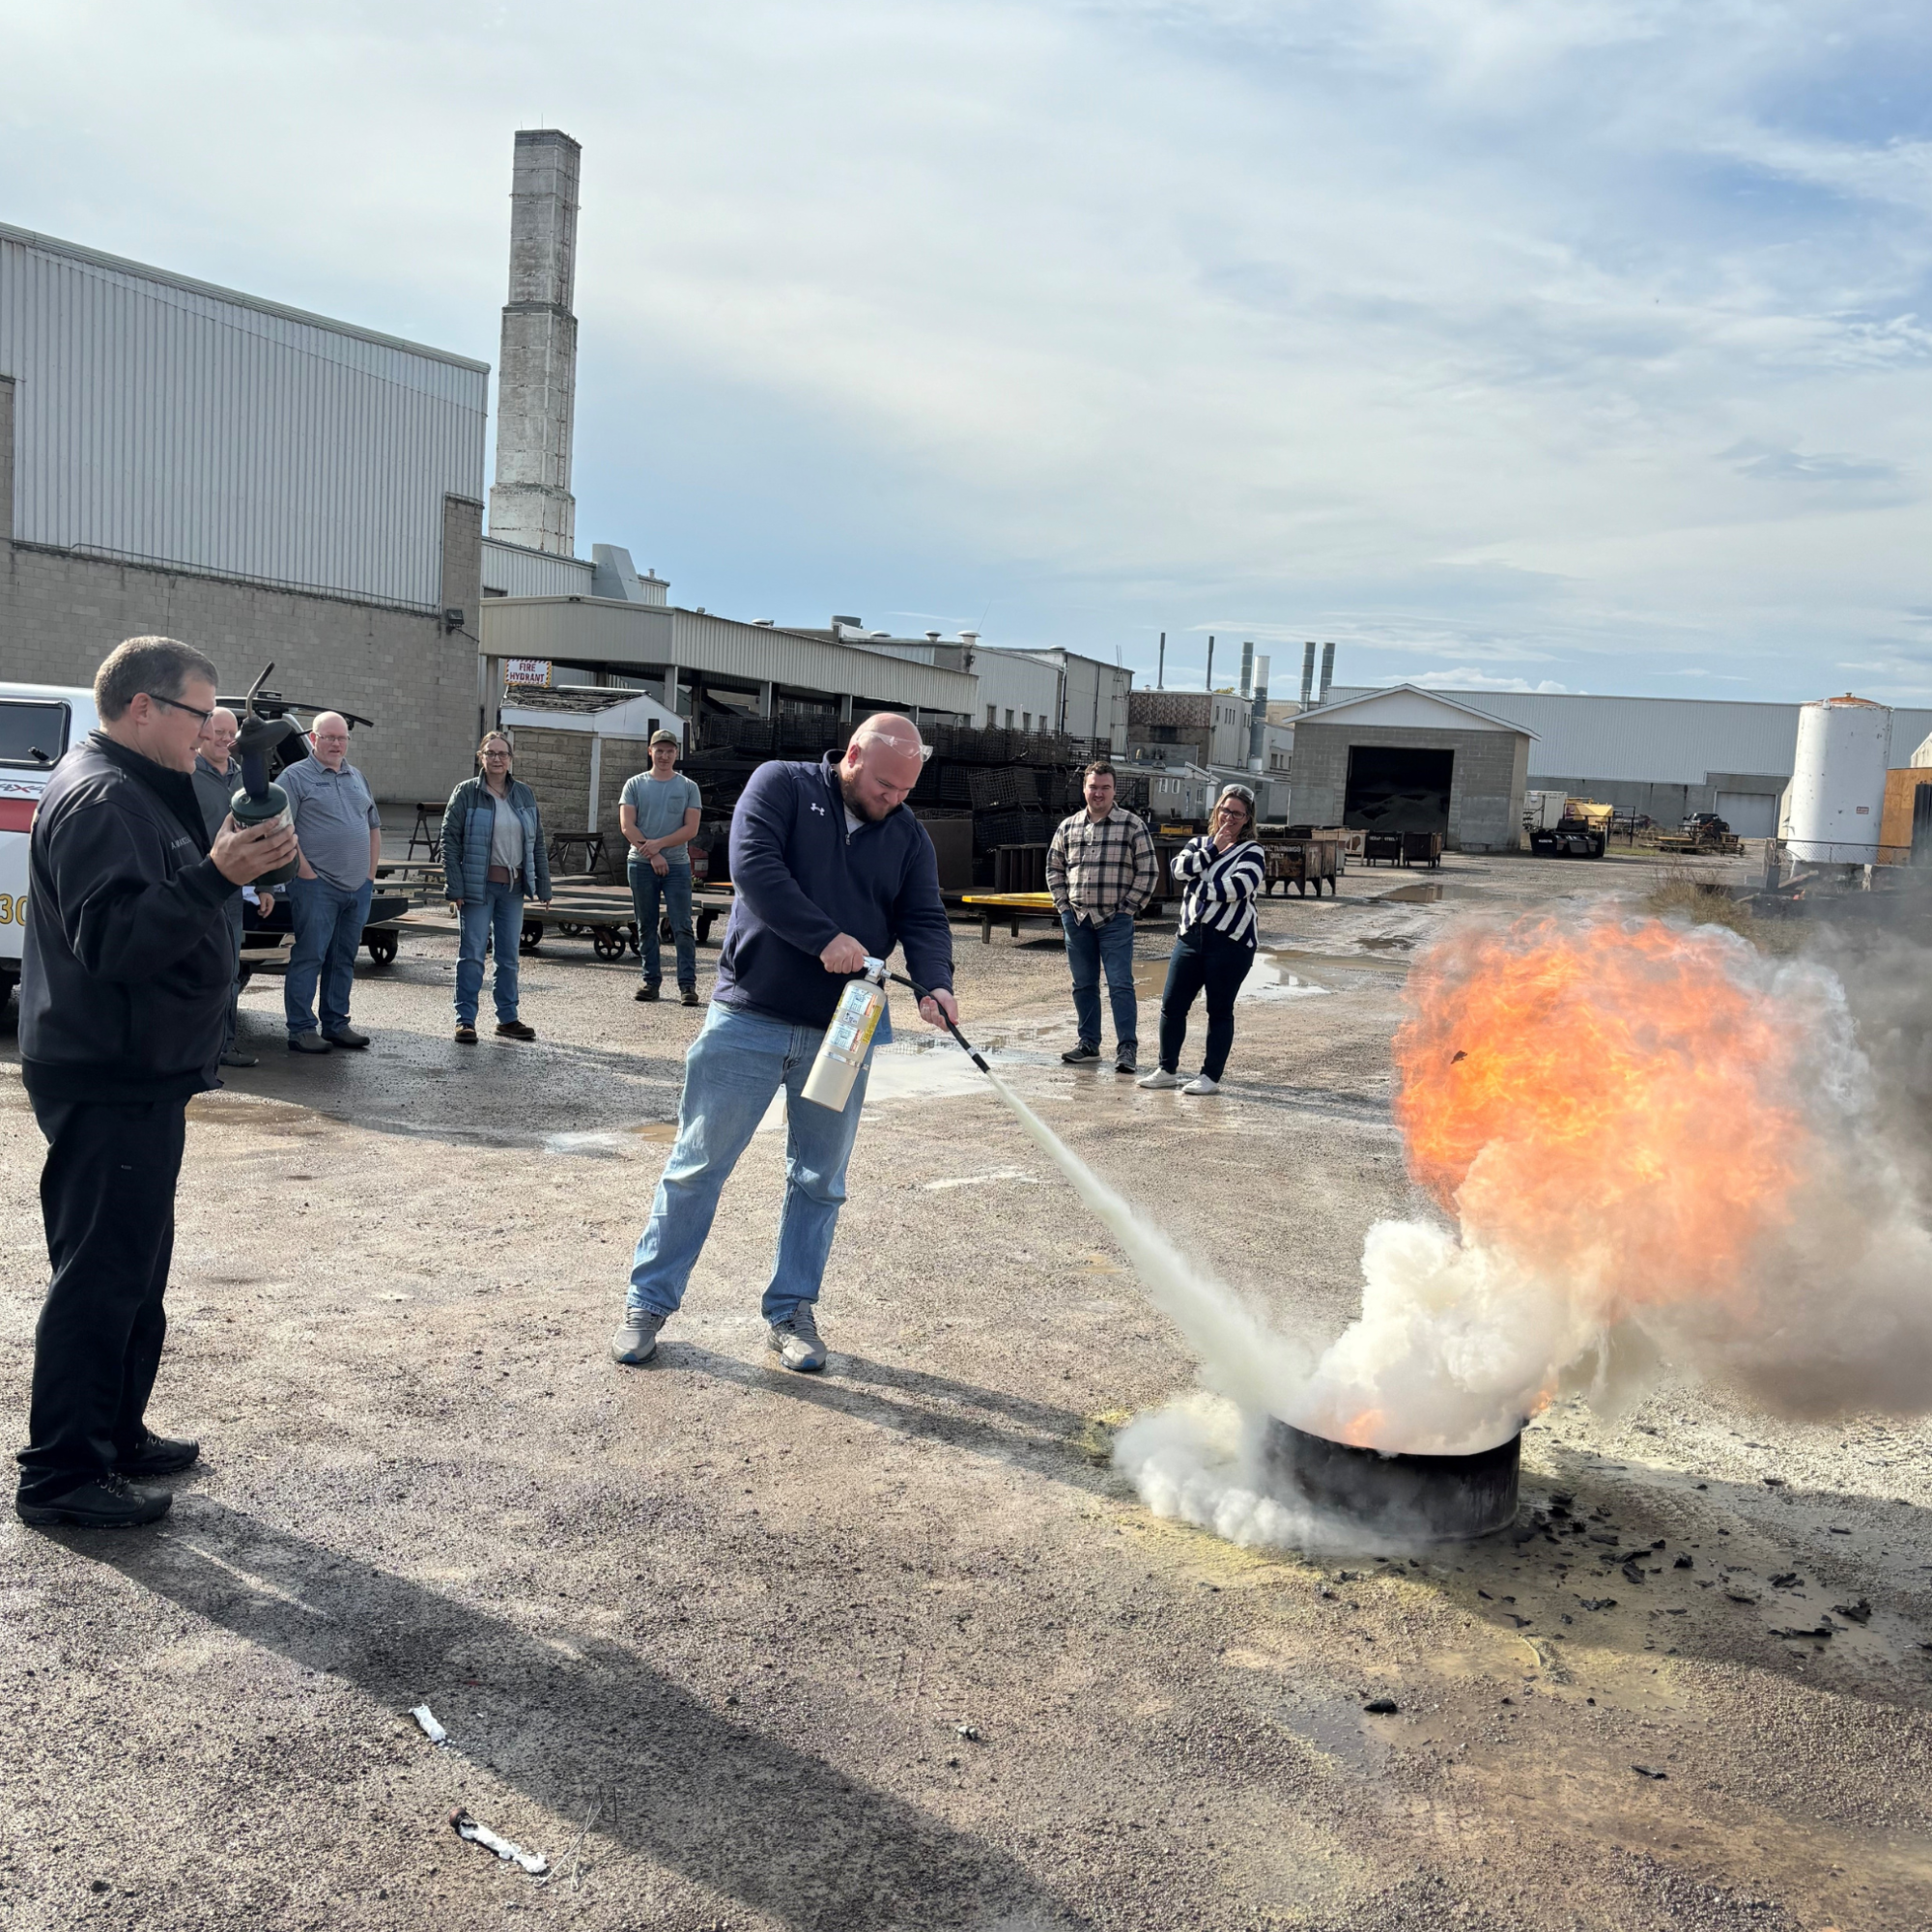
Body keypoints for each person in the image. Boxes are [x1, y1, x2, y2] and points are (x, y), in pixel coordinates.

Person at [14, 636, 298, 1528]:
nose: (212, 730)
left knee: (133, 1270)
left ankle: (114, 1433)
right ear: (144, 707)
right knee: (101, 1276)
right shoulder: (103, 796)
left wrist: (220, 858)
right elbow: (117, 943)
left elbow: (153, 894)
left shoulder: (134, 786)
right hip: (111, 1071)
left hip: (135, 1067)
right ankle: (62, 1474)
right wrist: (218, 874)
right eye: (198, 713)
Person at [611, 713, 957, 1374]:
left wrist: (935, 982)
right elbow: (755, 869)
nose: (894, 801)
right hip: (752, 1014)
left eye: (905, 791)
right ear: (852, 756)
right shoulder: (783, 786)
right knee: (698, 1163)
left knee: (819, 1178)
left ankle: (791, 1311)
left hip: (847, 1025)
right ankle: (647, 1303)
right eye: (885, 786)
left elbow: (923, 916)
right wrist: (822, 937)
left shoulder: (907, 835)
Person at [1140, 784, 1266, 1095]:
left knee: (1219, 1010)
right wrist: (1211, 851)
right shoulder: (1198, 843)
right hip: (1190, 938)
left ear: (1247, 818)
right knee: (1172, 1005)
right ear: (1217, 810)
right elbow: (1178, 870)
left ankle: (1210, 1076)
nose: (1229, 818)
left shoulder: (1252, 851)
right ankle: (1166, 1069)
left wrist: (1201, 887)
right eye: (1225, 810)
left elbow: (1240, 887)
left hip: (1231, 942)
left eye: (1237, 813)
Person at [279, 711, 382, 1054]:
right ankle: (301, 1029)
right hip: (315, 886)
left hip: (357, 887)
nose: (337, 744)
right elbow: (282, 830)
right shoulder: (294, 778)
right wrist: (305, 872)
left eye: (342, 738)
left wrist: (369, 876)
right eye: (329, 737)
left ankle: (336, 1023)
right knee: (310, 955)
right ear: (313, 738)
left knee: (343, 957)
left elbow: (373, 827)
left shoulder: (358, 777)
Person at [440, 730, 552, 1043]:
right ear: (481, 757)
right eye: (491, 753)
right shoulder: (466, 793)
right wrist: (455, 886)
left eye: (503, 754)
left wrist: (543, 886)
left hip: (513, 889)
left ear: (511, 759)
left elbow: (537, 842)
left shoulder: (524, 795)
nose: (497, 759)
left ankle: (507, 1018)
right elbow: (449, 841)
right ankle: (465, 1021)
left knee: (509, 956)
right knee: (473, 954)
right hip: (478, 887)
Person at [1046, 760, 1157, 1074]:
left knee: (1120, 984)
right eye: (1093, 787)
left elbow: (1149, 870)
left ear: (1114, 790)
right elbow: (1053, 867)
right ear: (1084, 789)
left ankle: (1127, 1050)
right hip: (1077, 919)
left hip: (1115, 921)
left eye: (1105, 787)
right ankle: (1088, 1044)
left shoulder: (1132, 826)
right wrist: (1063, 907)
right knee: (1083, 984)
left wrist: (1128, 909)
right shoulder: (1068, 827)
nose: (1098, 793)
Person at [189, 705, 274, 1069]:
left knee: (229, 970)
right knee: (193, 969)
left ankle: (223, 1045)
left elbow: (261, 831)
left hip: (234, 894)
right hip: (195, 889)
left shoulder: (247, 778)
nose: (226, 739)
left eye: (231, 734)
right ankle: (189, 1047)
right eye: (219, 732)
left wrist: (266, 884)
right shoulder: (186, 773)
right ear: (203, 734)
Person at [620, 728, 702, 1007]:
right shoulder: (634, 784)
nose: (664, 755)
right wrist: (651, 853)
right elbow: (627, 825)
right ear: (650, 751)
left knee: (682, 926)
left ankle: (687, 986)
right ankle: (650, 981)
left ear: (676, 753)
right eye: (659, 750)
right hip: (641, 865)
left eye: (669, 750)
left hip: (678, 866)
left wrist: (660, 846)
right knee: (646, 925)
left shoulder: (688, 787)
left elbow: (691, 828)